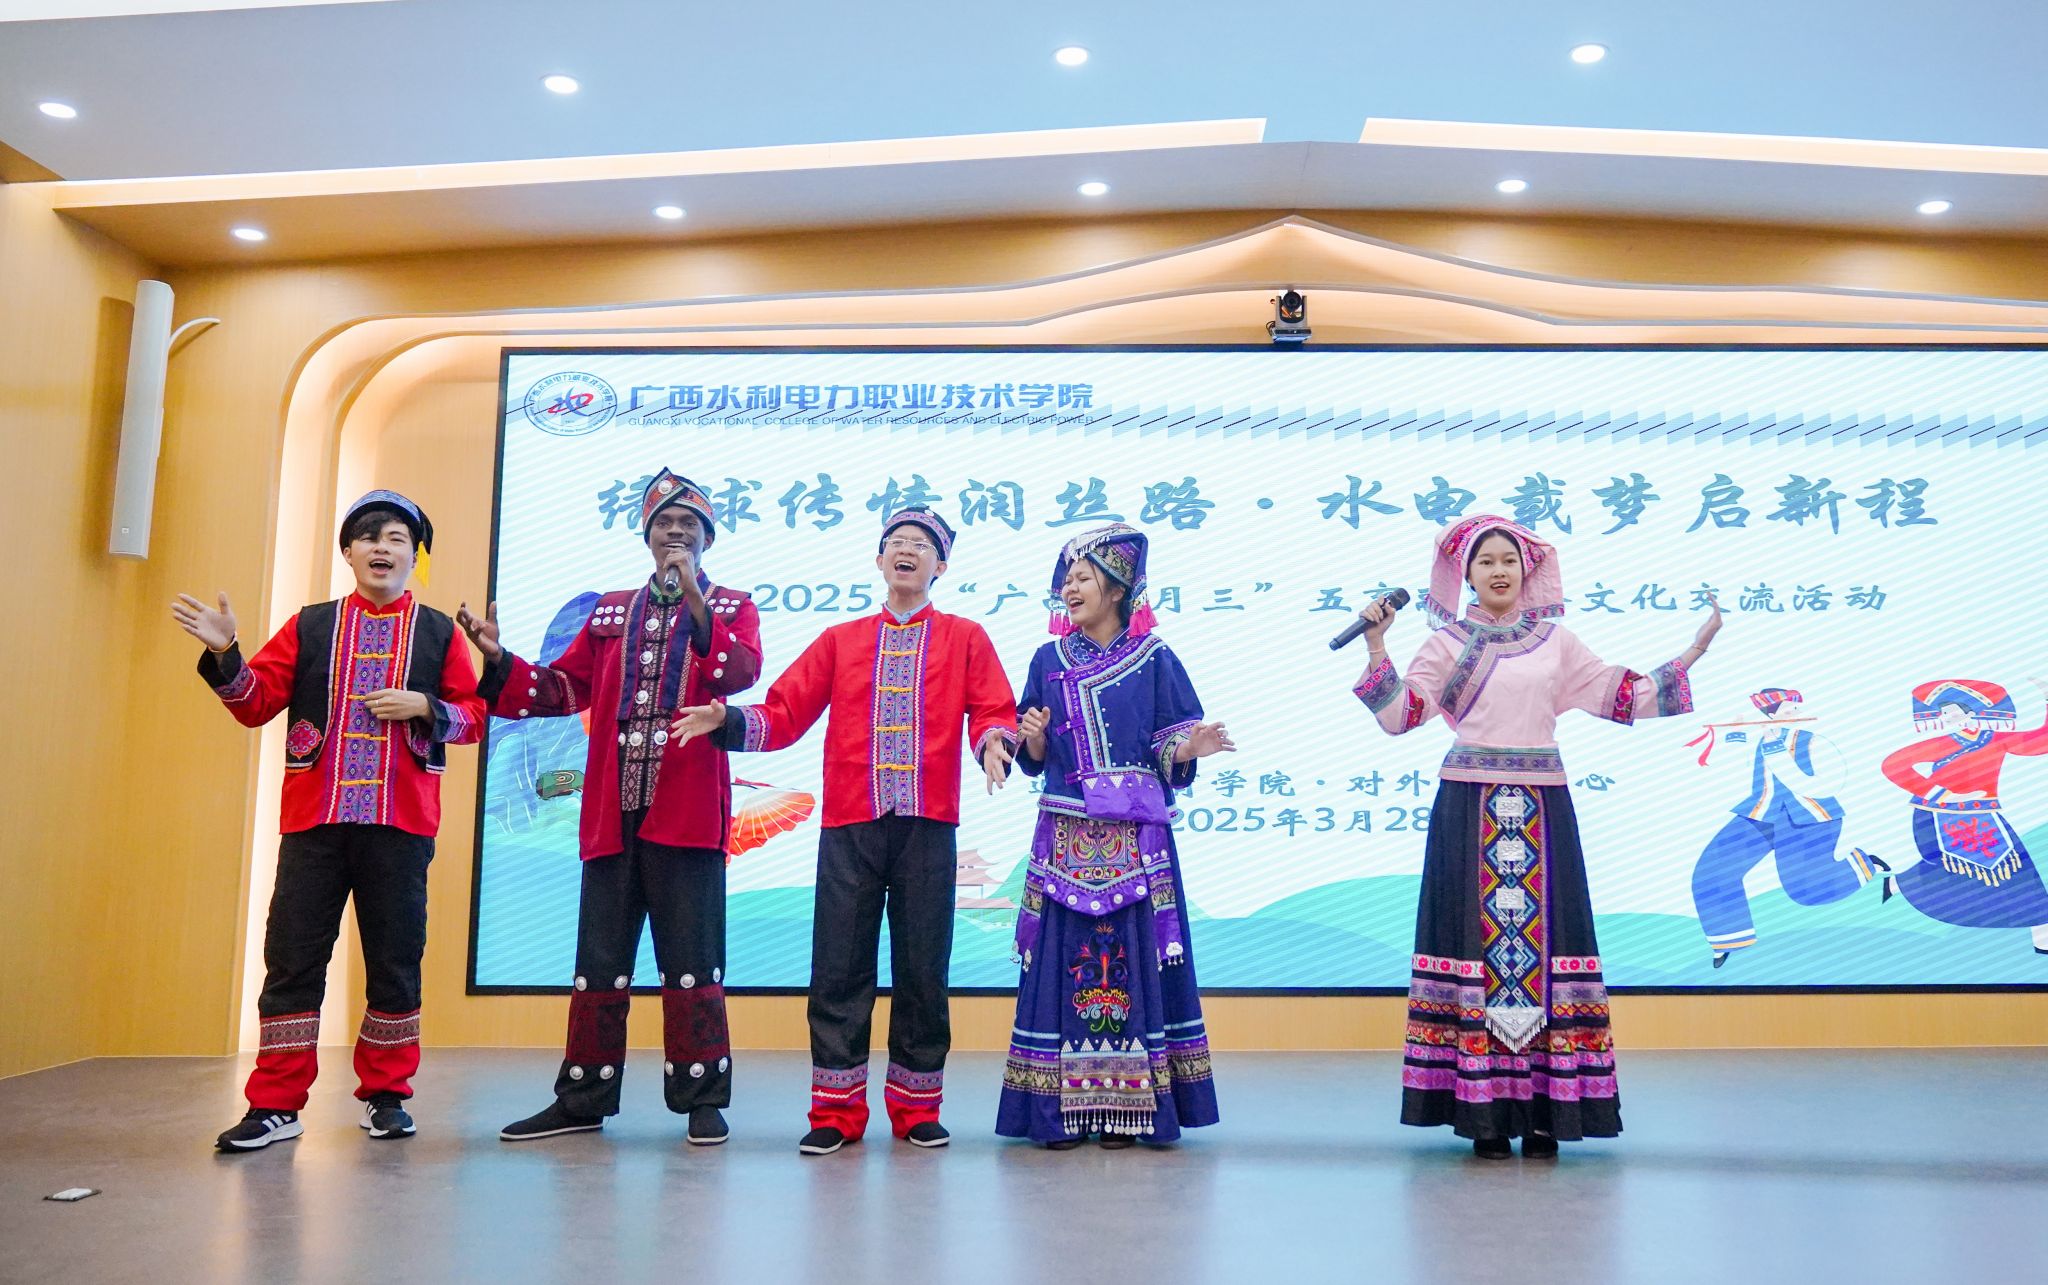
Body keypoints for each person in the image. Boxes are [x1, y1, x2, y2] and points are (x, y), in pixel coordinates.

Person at [1351, 514, 1718, 1159]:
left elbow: (1622, 696)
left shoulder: (1557, 642)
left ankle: (1549, 1113)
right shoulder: (1445, 644)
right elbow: (1400, 717)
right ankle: (1485, 1116)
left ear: (1527, 571)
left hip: (1543, 810)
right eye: (1486, 561)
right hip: (1468, 809)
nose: (1499, 571)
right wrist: (1377, 645)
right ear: (1466, 574)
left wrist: (1694, 652)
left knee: (1549, 954)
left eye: (1509, 561)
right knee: (1474, 948)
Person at [670, 505, 1019, 1155]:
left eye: (922, 545)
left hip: (927, 825)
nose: (907, 551)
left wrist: (995, 741)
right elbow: (785, 712)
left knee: (923, 968)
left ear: (941, 566)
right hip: (850, 826)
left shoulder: (966, 637)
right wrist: (727, 720)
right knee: (838, 967)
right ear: (880, 560)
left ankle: (917, 1107)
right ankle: (835, 1110)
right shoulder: (841, 640)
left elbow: (993, 708)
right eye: (897, 542)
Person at [172, 490, 485, 1151]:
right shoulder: (311, 625)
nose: (381, 547)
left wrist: (425, 706)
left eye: (396, 538)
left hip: (401, 824)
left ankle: (386, 1095)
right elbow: (254, 703)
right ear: (347, 552)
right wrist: (227, 652)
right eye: (368, 536)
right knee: (292, 959)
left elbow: (475, 719)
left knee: (395, 961)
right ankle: (275, 1104)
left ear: (414, 555)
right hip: (315, 821)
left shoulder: (439, 633)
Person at [467, 470, 763, 1146]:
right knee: (599, 962)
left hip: (688, 813)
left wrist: (695, 601)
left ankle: (702, 1099)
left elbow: (738, 672)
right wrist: (499, 659)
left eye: (689, 525)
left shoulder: (733, 606)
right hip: (611, 812)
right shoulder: (609, 612)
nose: (676, 533)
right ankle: (583, 1098)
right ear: (647, 536)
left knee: (694, 960)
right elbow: (560, 690)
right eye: (665, 524)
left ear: (709, 538)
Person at [995, 523, 1229, 1149]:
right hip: (1065, 838)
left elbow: (1171, 738)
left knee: (1133, 963)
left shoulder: (1154, 658)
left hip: (1135, 842)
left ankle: (1128, 1107)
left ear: (1118, 588)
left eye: (1083, 578)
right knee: (1062, 966)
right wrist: (1033, 739)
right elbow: (1034, 755)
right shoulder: (1047, 660)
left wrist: (1191, 746)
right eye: (1067, 580)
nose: (1069, 589)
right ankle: (1059, 1111)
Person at [1689, 687, 1883, 968]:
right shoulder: (1758, 739)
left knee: (1807, 891)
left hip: (1809, 816)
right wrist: (1734, 733)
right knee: (1712, 871)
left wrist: (1775, 749)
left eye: (1796, 709)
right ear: (1769, 715)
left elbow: (1821, 787)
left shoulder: (1813, 742)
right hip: (1762, 813)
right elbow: (1725, 772)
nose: (1796, 714)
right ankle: (1730, 941)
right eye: (1789, 710)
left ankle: (1867, 863)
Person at [1879, 679, 2048, 955]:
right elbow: (1892, 765)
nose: (1947, 718)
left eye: (1952, 712)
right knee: (1966, 869)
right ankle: (1904, 883)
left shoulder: (1998, 739)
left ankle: (2042, 933)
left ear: (1972, 711)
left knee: (2017, 870)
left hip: (1983, 815)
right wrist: (1942, 794)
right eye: (1944, 713)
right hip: (1938, 815)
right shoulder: (1943, 743)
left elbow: (2041, 742)